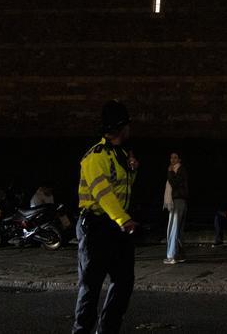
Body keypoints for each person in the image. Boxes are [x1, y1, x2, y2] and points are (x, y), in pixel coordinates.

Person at [74, 100, 139, 334]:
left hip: (116, 227)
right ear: (121, 127)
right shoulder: (95, 156)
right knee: (90, 287)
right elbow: (104, 194)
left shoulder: (121, 155)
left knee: (124, 282)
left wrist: (133, 170)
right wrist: (123, 219)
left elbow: (122, 189)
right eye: (128, 124)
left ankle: (108, 330)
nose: (131, 129)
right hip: (96, 226)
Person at [163, 152, 189, 264]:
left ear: (179, 159)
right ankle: (180, 255)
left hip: (178, 201)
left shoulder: (180, 169)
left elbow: (174, 182)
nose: (172, 159)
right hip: (180, 201)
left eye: (175, 157)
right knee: (178, 230)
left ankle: (172, 256)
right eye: (171, 157)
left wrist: (169, 172)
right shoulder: (177, 170)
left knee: (173, 229)